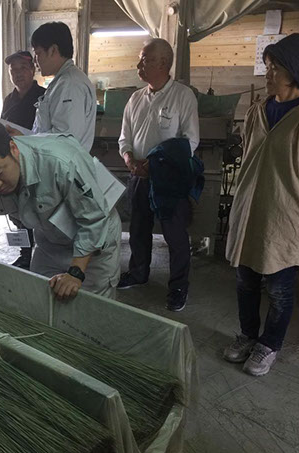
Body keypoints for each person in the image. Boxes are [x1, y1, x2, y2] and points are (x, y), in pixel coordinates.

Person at [0, 116, 121, 305]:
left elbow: (93, 219)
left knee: (89, 308)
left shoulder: (60, 161)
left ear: (13, 149)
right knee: (40, 302)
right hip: (50, 242)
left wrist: (75, 273)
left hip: (96, 242)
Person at [223, 33, 299, 376]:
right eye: (267, 65)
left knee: (279, 289)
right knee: (245, 280)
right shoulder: (257, 110)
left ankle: (269, 344)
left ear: (294, 72)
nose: (268, 73)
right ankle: (248, 335)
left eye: (275, 67)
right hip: (250, 210)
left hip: (287, 216)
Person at [116, 38, 199, 312]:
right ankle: (138, 273)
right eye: (140, 60)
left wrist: (157, 164)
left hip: (169, 179)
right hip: (139, 175)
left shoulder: (182, 96)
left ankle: (179, 286)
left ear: (163, 63)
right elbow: (125, 137)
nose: (138, 66)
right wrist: (129, 158)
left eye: (145, 60)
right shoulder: (136, 98)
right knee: (138, 228)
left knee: (175, 235)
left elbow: (190, 140)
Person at [1, 50, 46, 269]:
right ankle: (25, 254)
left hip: (37, 161)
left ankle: (44, 254)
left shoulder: (44, 96)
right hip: (14, 163)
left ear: (33, 69)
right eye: (13, 70)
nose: (18, 74)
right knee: (18, 210)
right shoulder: (9, 99)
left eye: (23, 68)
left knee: (39, 208)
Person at [30, 22, 97, 153]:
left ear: (53, 50)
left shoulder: (70, 84)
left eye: (38, 53)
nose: (35, 60)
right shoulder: (62, 81)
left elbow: (65, 140)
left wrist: (27, 141)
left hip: (65, 164)